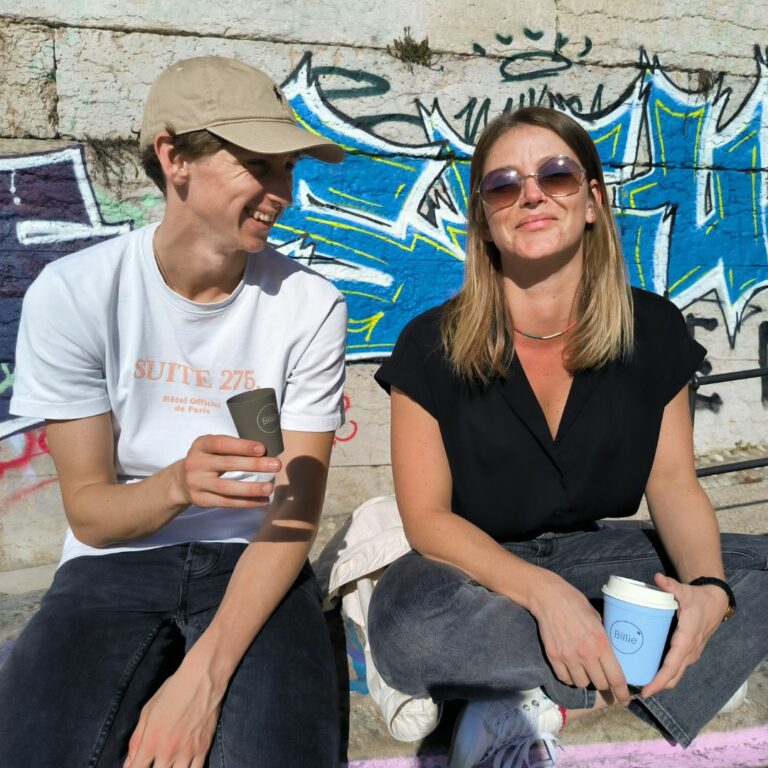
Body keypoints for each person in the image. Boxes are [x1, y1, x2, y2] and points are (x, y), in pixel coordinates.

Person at [368, 106, 768, 767]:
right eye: (503, 185)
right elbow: (428, 519)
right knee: (405, 625)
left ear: (591, 201)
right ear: (485, 219)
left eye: (556, 175)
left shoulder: (654, 331)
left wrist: (707, 591)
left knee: (739, 579)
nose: (531, 194)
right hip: (478, 570)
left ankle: (525, 688)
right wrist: (545, 595)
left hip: (597, 561)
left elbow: (672, 485)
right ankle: (655, 666)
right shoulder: (429, 346)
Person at [0, 56, 347, 768]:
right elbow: (91, 515)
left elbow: (292, 514)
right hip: (111, 565)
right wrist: (176, 486)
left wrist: (203, 678)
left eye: (286, 169)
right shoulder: (74, 293)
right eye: (256, 164)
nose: (279, 191)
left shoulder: (309, 306)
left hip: (256, 561)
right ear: (173, 156)